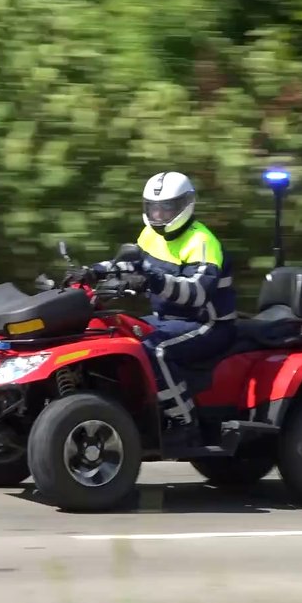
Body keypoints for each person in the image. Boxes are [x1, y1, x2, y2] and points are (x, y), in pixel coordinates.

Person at [88, 171, 238, 449]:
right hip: (166, 320)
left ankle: (184, 422)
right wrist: (94, 271)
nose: (158, 214)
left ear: (184, 205)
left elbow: (197, 293)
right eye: (153, 207)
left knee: (154, 349)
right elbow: (131, 264)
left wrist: (153, 280)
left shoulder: (202, 242)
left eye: (166, 207)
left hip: (208, 324)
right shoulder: (150, 234)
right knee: (114, 335)